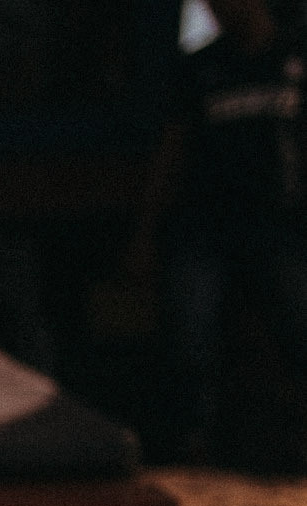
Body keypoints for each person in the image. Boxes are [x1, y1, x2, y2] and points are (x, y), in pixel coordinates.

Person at [143, 0, 307, 462]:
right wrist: (146, 234)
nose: (217, 8)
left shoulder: (294, 57)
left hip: (280, 229)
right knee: (189, 344)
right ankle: (191, 447)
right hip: (206, 229)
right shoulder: (201, 68)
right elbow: (171, 153)